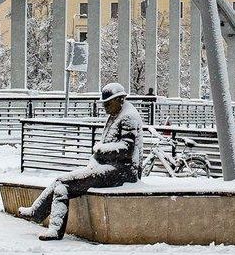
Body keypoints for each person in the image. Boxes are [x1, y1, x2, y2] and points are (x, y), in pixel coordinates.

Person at [17, 82, 143, 240]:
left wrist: (99, 149)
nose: (104, 107)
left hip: (120, 173)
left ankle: (53, 228)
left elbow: (126, 148)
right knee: (60, 181)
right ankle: (37, 212)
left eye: (108, 103)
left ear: (120, 99)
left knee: (63, 184)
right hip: (109, 168)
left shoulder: (128, 117)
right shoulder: (117, 114)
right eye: (104, 104)